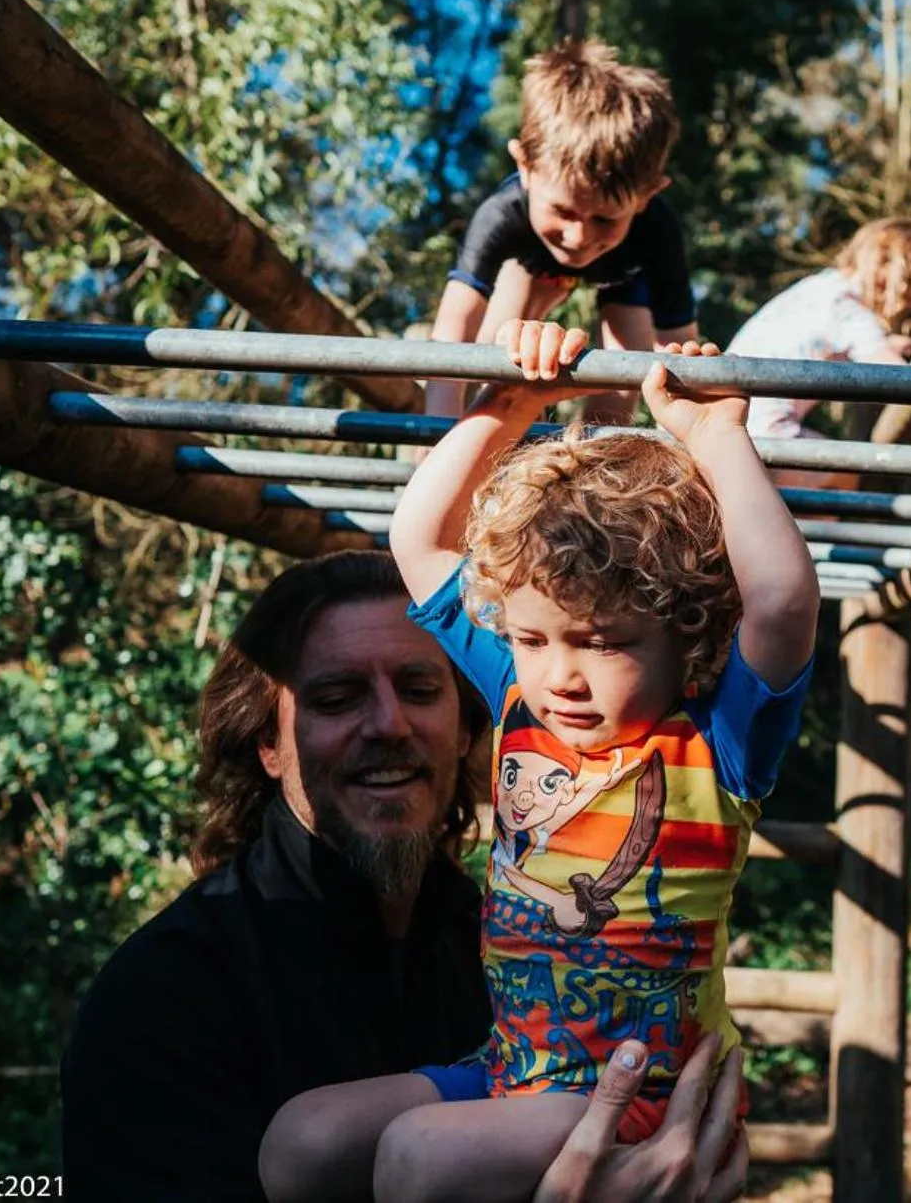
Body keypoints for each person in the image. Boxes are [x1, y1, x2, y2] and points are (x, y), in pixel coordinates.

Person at [258, 322, 818, 1202]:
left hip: (638, 1096)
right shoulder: (522, 696)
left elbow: (782, 600)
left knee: (418, 1156)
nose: (561, 673)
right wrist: (509, 405)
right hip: (512, 1068)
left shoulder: (719, 742)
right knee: (301, 1141)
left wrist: (716, 438)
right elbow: (419, 541)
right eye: (529, 637)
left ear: (687, 638)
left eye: (603, 643)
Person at [59, 551, 746, 1203]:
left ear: (471, 728)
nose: (389, 724)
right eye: (336, 697)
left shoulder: (495, 943)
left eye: (419, 690)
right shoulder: (166, 996)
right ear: (268, 742)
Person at [423, 41, 699, 426]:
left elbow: (681, 346)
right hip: (531, 261)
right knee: (499, 342)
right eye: (563, 210)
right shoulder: (505, 212)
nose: (578, 236)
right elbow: (450, 337)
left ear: (645, 197)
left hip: (623, 270)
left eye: (604, 218)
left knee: (627, 371)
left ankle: (596, 472)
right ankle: (480, 449)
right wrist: (433, 442)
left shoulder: (657, 229)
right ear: (525, 167)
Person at [725, 217, 911, 489]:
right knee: (847, 477)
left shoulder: (821, 288)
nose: (902, 308)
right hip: (762, 435)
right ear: (886, 270)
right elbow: (896, 373)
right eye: (907, 294)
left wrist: (885, 341)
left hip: (732, 424)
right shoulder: (849, 308)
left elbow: (834, 342)